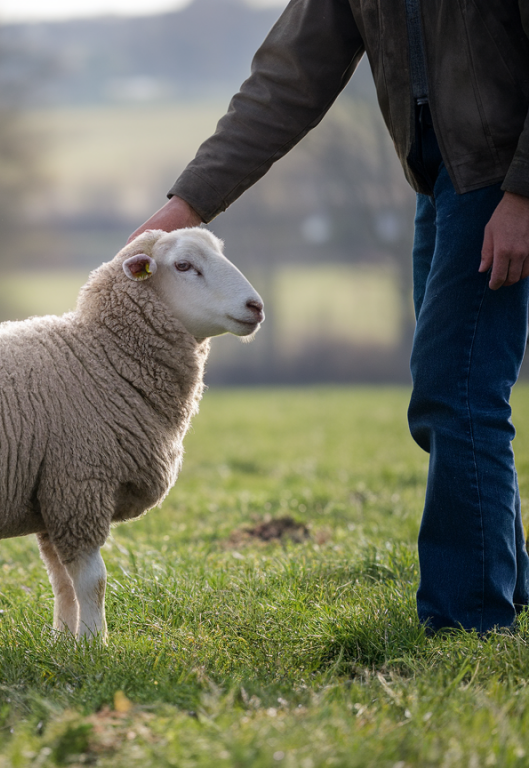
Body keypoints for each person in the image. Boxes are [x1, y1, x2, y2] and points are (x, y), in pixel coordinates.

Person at [131, 0, 529, 634]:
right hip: (441, 181)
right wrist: (182, 210)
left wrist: (521, 195)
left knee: (456, 393)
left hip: (497, 182)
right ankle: (507, 590)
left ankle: (471, 620)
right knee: (458, 393)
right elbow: (287, 80)